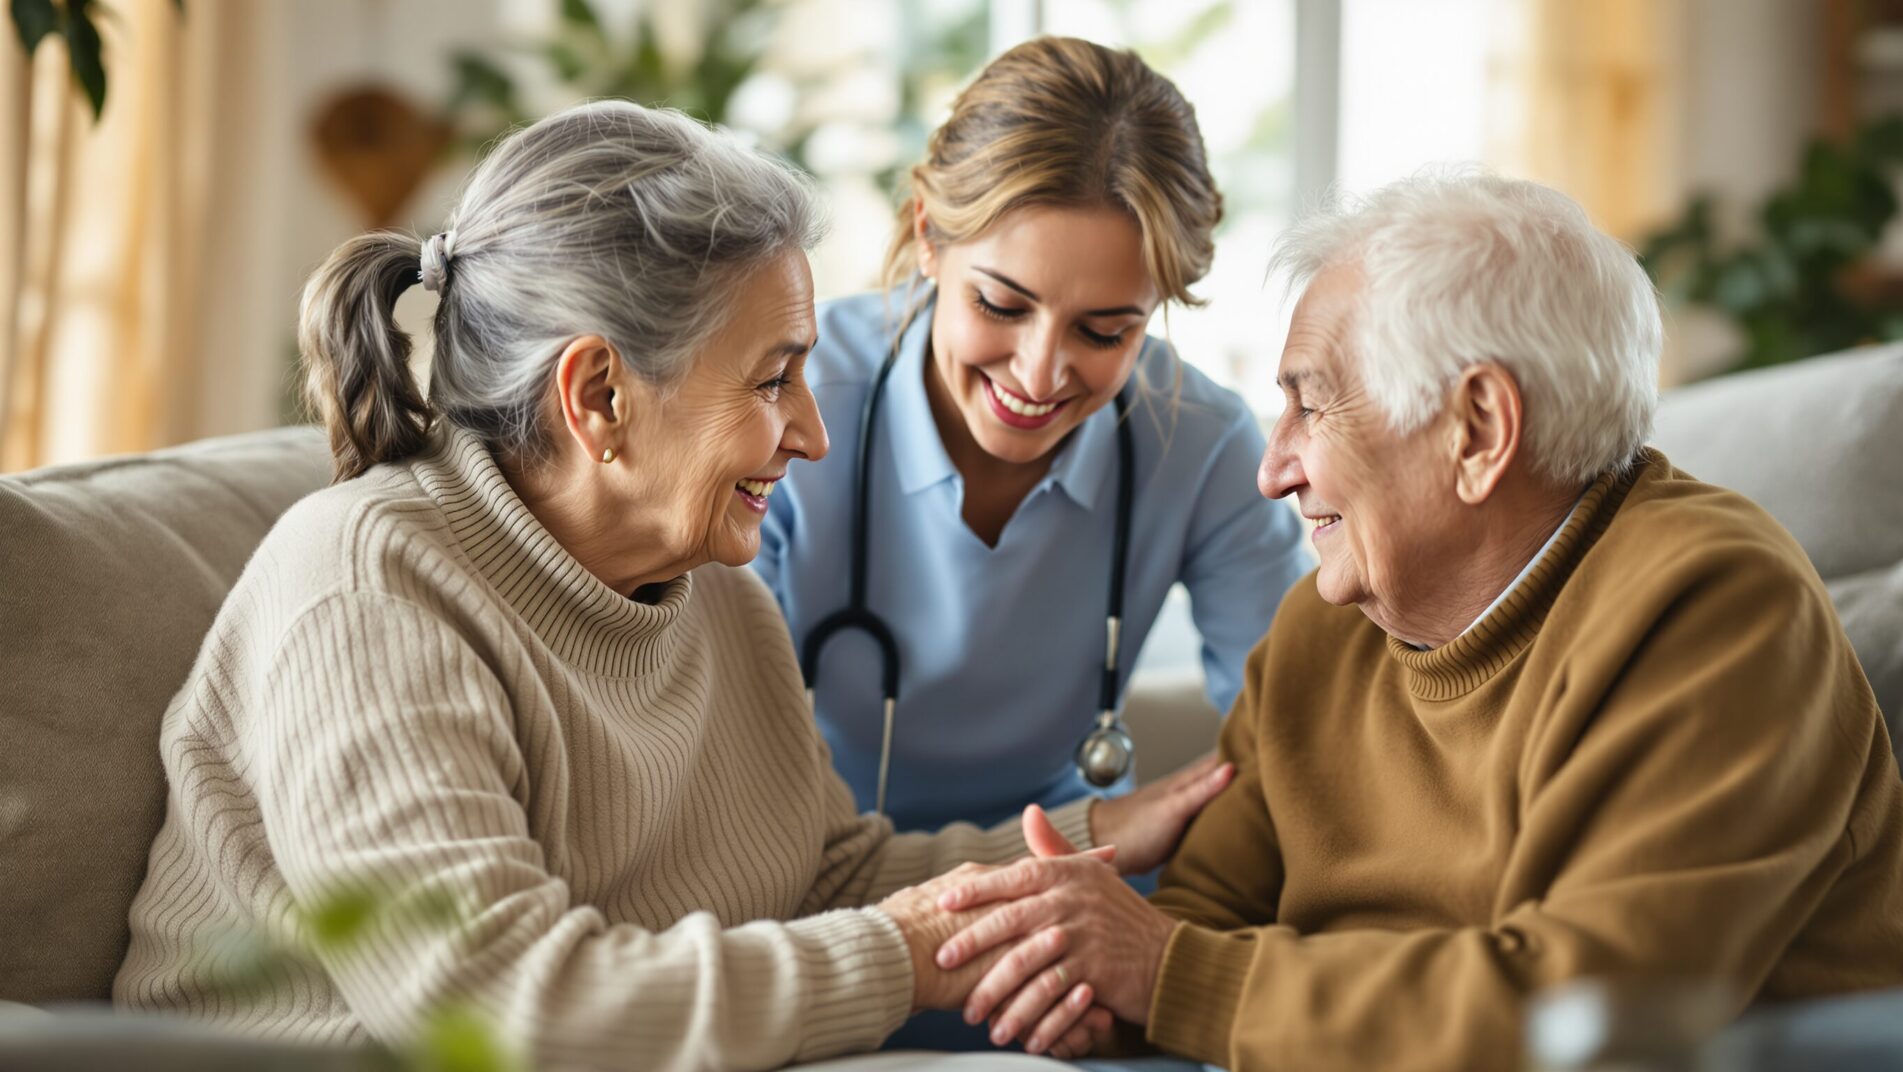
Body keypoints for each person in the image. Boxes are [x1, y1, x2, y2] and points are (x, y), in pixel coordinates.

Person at [111, 101, 1202, 1070]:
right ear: (599, 398)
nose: (812, 433)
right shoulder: (368, 587)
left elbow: (823, 877)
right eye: (773, 378)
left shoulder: (708, 585)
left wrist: (1091, 844)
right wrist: (906, 955)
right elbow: (505, 1009)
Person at [917, 172, 1903, 1069]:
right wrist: (1099, 997)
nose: (1274, 468)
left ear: (1478, 429)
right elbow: (1202, 919)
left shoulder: (1714, 607)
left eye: (1311, 407)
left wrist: (1171, 981)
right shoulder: (1325, 628)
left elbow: (1596, 1015)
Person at [752, 34, 1311, 863]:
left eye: (1104, 330)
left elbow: (1294, 737)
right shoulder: (783, 395)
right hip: (825, 879)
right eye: (1002, 305)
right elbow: (708, 765)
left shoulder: (1199, 440)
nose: (1040, 374)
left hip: (1085, 881)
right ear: (930, 237)